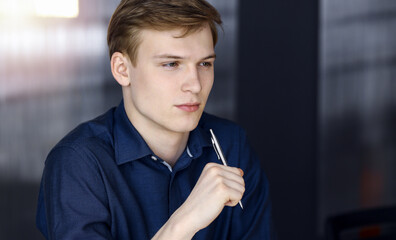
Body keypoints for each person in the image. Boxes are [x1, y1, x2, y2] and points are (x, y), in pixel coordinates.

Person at [36, 0, 275, 239]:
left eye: (204, 63)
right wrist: (185, 222)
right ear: (122, 69)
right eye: (171, 64)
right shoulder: (78, 162)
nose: (195, 84)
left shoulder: (232, 145)